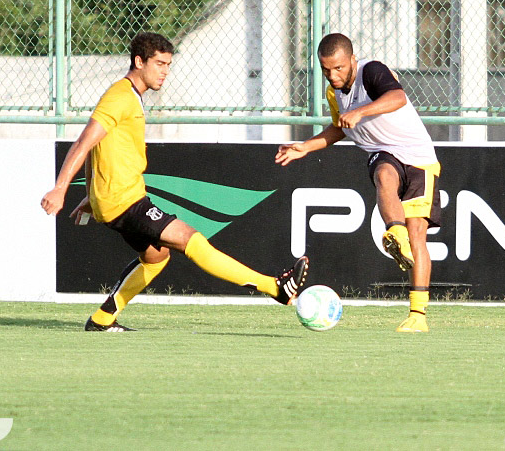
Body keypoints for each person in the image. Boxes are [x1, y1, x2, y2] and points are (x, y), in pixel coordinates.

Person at [42, 32, 309, 331]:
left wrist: (92, 196)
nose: (165, 71)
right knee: (191, 240)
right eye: (159, 64)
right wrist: (61, 188)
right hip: (125, 202)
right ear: (139, 61)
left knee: (156, 257)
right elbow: (84, 142)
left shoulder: (131, 96)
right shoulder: (119, 97)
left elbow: (99, 147)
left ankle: (102, 320)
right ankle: (274, 287)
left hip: (122, 198)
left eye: (168, 64)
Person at [275, 33, 440, 333]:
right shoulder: (334, 93)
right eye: (326, 70)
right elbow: (340, 128)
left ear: (352, 59)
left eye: (338, 68)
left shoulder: (372, 71)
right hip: (383, 153)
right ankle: (396, 233)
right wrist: (305, 147)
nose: (332, 76)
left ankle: (418, 316)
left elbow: (397, 98)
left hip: (419, 158)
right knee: (384, 174)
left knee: (418, 235)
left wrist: (360, 111)